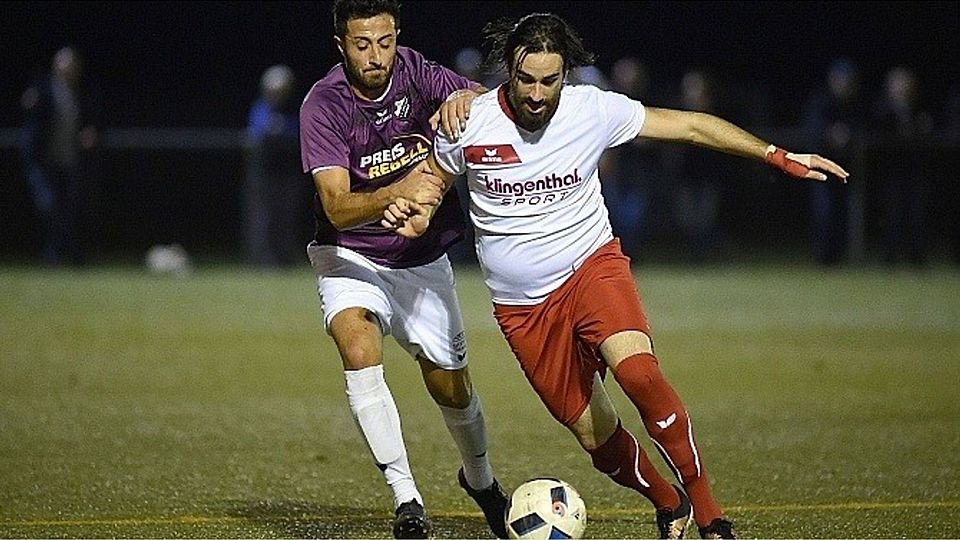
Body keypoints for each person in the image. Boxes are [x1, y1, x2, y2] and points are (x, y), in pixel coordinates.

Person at [382, 13, 848, 539]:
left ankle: (711, 514)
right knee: (595, 439)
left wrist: (776, 155)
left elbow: (692, 125)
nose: (537, 94)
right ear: (508, 71)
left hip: (592, 270)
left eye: (550, 80)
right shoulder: (469, 122)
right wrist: (417, 213)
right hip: (523, 310)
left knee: (640, 376)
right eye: (526, 79)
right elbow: (432, 186)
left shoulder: (593, 109)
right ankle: (668, 502)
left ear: (567, 75)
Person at [297, 1, 507, 538]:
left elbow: (486, 107)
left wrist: (464, 97)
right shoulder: (323, 104)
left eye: (384, 42)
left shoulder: (417, 71)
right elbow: (338, 206)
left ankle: (481, 481)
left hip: (421, 260)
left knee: (451, 388)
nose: (376, 56)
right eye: (362, 44)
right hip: (349, 255)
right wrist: (396, 192)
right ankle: (406, 499)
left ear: (397, 37)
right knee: (358, 348)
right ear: (341, 45)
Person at [19, 46, 101, 266]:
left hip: (70, 160)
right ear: (56, 65)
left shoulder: (81, 93)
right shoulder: (43, 89)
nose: (68, 68)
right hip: (45, 161)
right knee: (49, 205)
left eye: (72, 64)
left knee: (71, 209)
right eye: (64, 63)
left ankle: (70, 255)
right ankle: (53, 253)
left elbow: (91, 120)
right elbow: (31, 116)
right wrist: (29, 104)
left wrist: (89, 132)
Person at [800, 58, 866, 266]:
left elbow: (865, 126)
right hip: (822, 169)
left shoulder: (856, 103)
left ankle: (840, 257)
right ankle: (823, 258)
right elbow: (811, 128)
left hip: (848, 169)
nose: (843, 84)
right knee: (824, 212)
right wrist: (830, 134)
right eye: (840, 79)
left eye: (847, 80)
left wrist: (848, 134)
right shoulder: (820, 101)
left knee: (843, 214)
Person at [244, 64, 309, 268]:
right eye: (274, 91)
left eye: (281, 91)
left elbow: (300, 137)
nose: (277, 95)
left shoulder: (293, 111)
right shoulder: (260, 109)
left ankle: (285, 257)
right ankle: (262, 258)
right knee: (263, 218)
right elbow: (256, 136)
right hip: (263, 175)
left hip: (287, 174)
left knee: (286, 217)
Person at [663, 69, 727, 264]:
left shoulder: (713, 113)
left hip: (708, 177)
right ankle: (695, 254)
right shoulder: (679, 113)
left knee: (706, 218)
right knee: (687, 219)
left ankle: (706, 254)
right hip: (685, 177)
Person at [872, 66, 935, 267]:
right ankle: (889, 258)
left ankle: (916, 258)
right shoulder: (882, 109)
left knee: (916, 215)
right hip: (892, 173)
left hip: (916, 172)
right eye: (898, 83)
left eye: (906, 83)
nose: (902, 88)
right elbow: (878, 134)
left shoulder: (920, 109)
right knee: (893, 215)